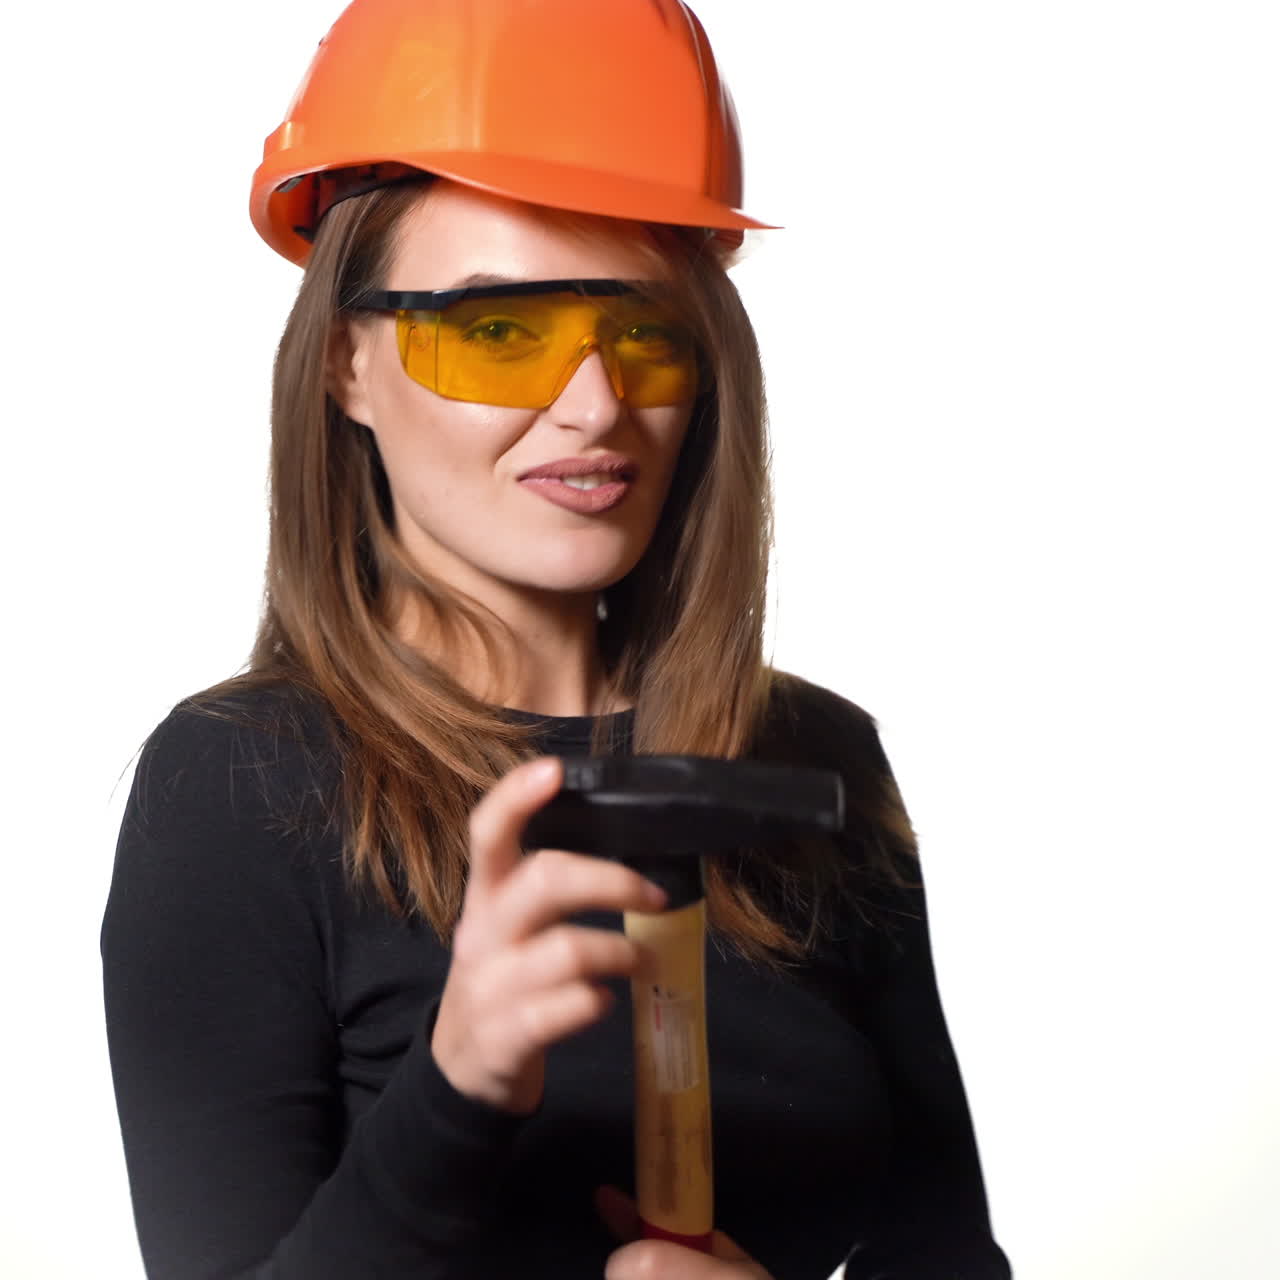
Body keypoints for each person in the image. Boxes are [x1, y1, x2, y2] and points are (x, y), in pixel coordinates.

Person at [101, 1, 1011, 1277]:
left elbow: (946, 1256)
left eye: (641, 330)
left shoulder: (814, 757)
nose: (592, 406)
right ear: (344, 365)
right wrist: (457, 1083)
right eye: (495, 331)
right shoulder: (238, 783)